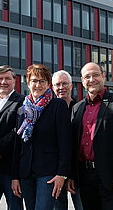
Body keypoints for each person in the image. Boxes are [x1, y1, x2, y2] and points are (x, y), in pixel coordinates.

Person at [67, 62, 113, 210]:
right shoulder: (77, 108)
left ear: (103, 76)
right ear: (82, 81)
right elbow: (73, 145)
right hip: (84, 175)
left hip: (108, 174)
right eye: (87, 77)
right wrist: (71, 175)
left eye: (95, 75)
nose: (92, 79)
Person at [11, 64, 71, 210]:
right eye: (34, 81)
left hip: (49, 173)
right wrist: (15, 176)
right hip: (26, 172)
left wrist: (62, 174)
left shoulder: (58, 105)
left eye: (42, 81)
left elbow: (65, 142)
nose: (38, 85)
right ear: (28, 82)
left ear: (48, 84)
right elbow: (17, 145)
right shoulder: (22, 108)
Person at [0, 66, 25, 210]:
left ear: (14, 81)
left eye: (7, 78)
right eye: (0, 78)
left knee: (14, 206)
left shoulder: (22, 101)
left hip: (11, 167)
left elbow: (18, 130)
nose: (3, 82)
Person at [51, 70, 83, 210]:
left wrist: (72, 175)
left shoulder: (82, 108)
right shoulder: (47, 110)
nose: (61, 87)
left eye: (65, 83)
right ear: (52, 87)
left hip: (78, 171)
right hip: (54, 171)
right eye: (57, 84)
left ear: (71, 86)